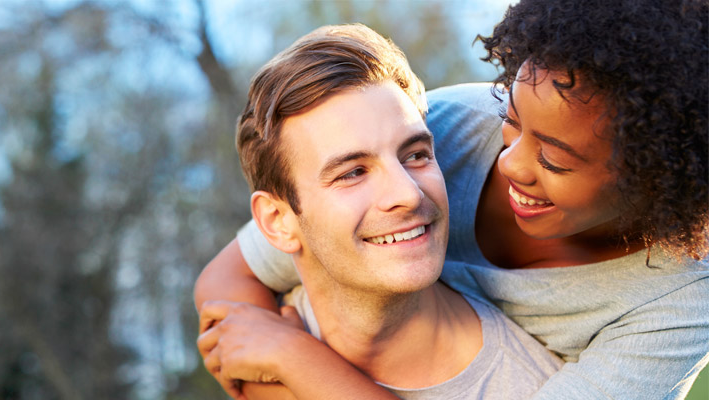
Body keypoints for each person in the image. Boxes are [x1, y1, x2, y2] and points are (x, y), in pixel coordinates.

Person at [195, 0, 709, 398]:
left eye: (554, 159)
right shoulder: (446, 129)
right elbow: (229, 287)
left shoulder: (680, 300)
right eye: (511, 122)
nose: (509, 163)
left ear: (657, 178)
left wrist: (298, 361)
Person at [196, 23, 561, 399]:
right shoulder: (249, 341)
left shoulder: (538, 387)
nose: (408, 193)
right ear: (277, 221)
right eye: (352, 173)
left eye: (416, 155)